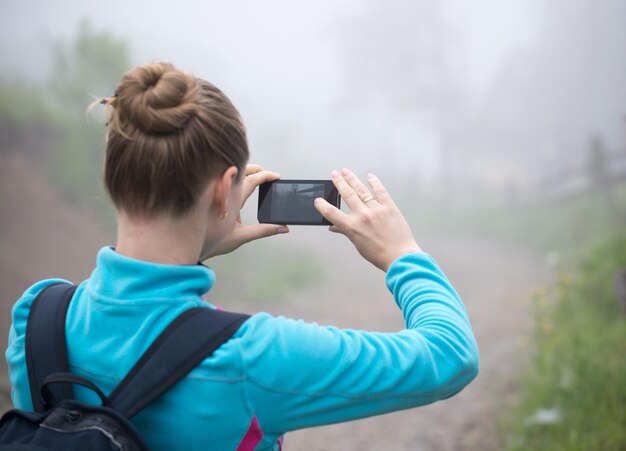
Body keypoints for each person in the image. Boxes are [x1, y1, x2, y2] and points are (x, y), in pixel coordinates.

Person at [5, 62, 479, 450]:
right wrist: (402, 253)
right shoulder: (251, 356)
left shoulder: (38, 315)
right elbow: (450, 355)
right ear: (222, 190)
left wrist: (198, 239)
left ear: (109, 171)